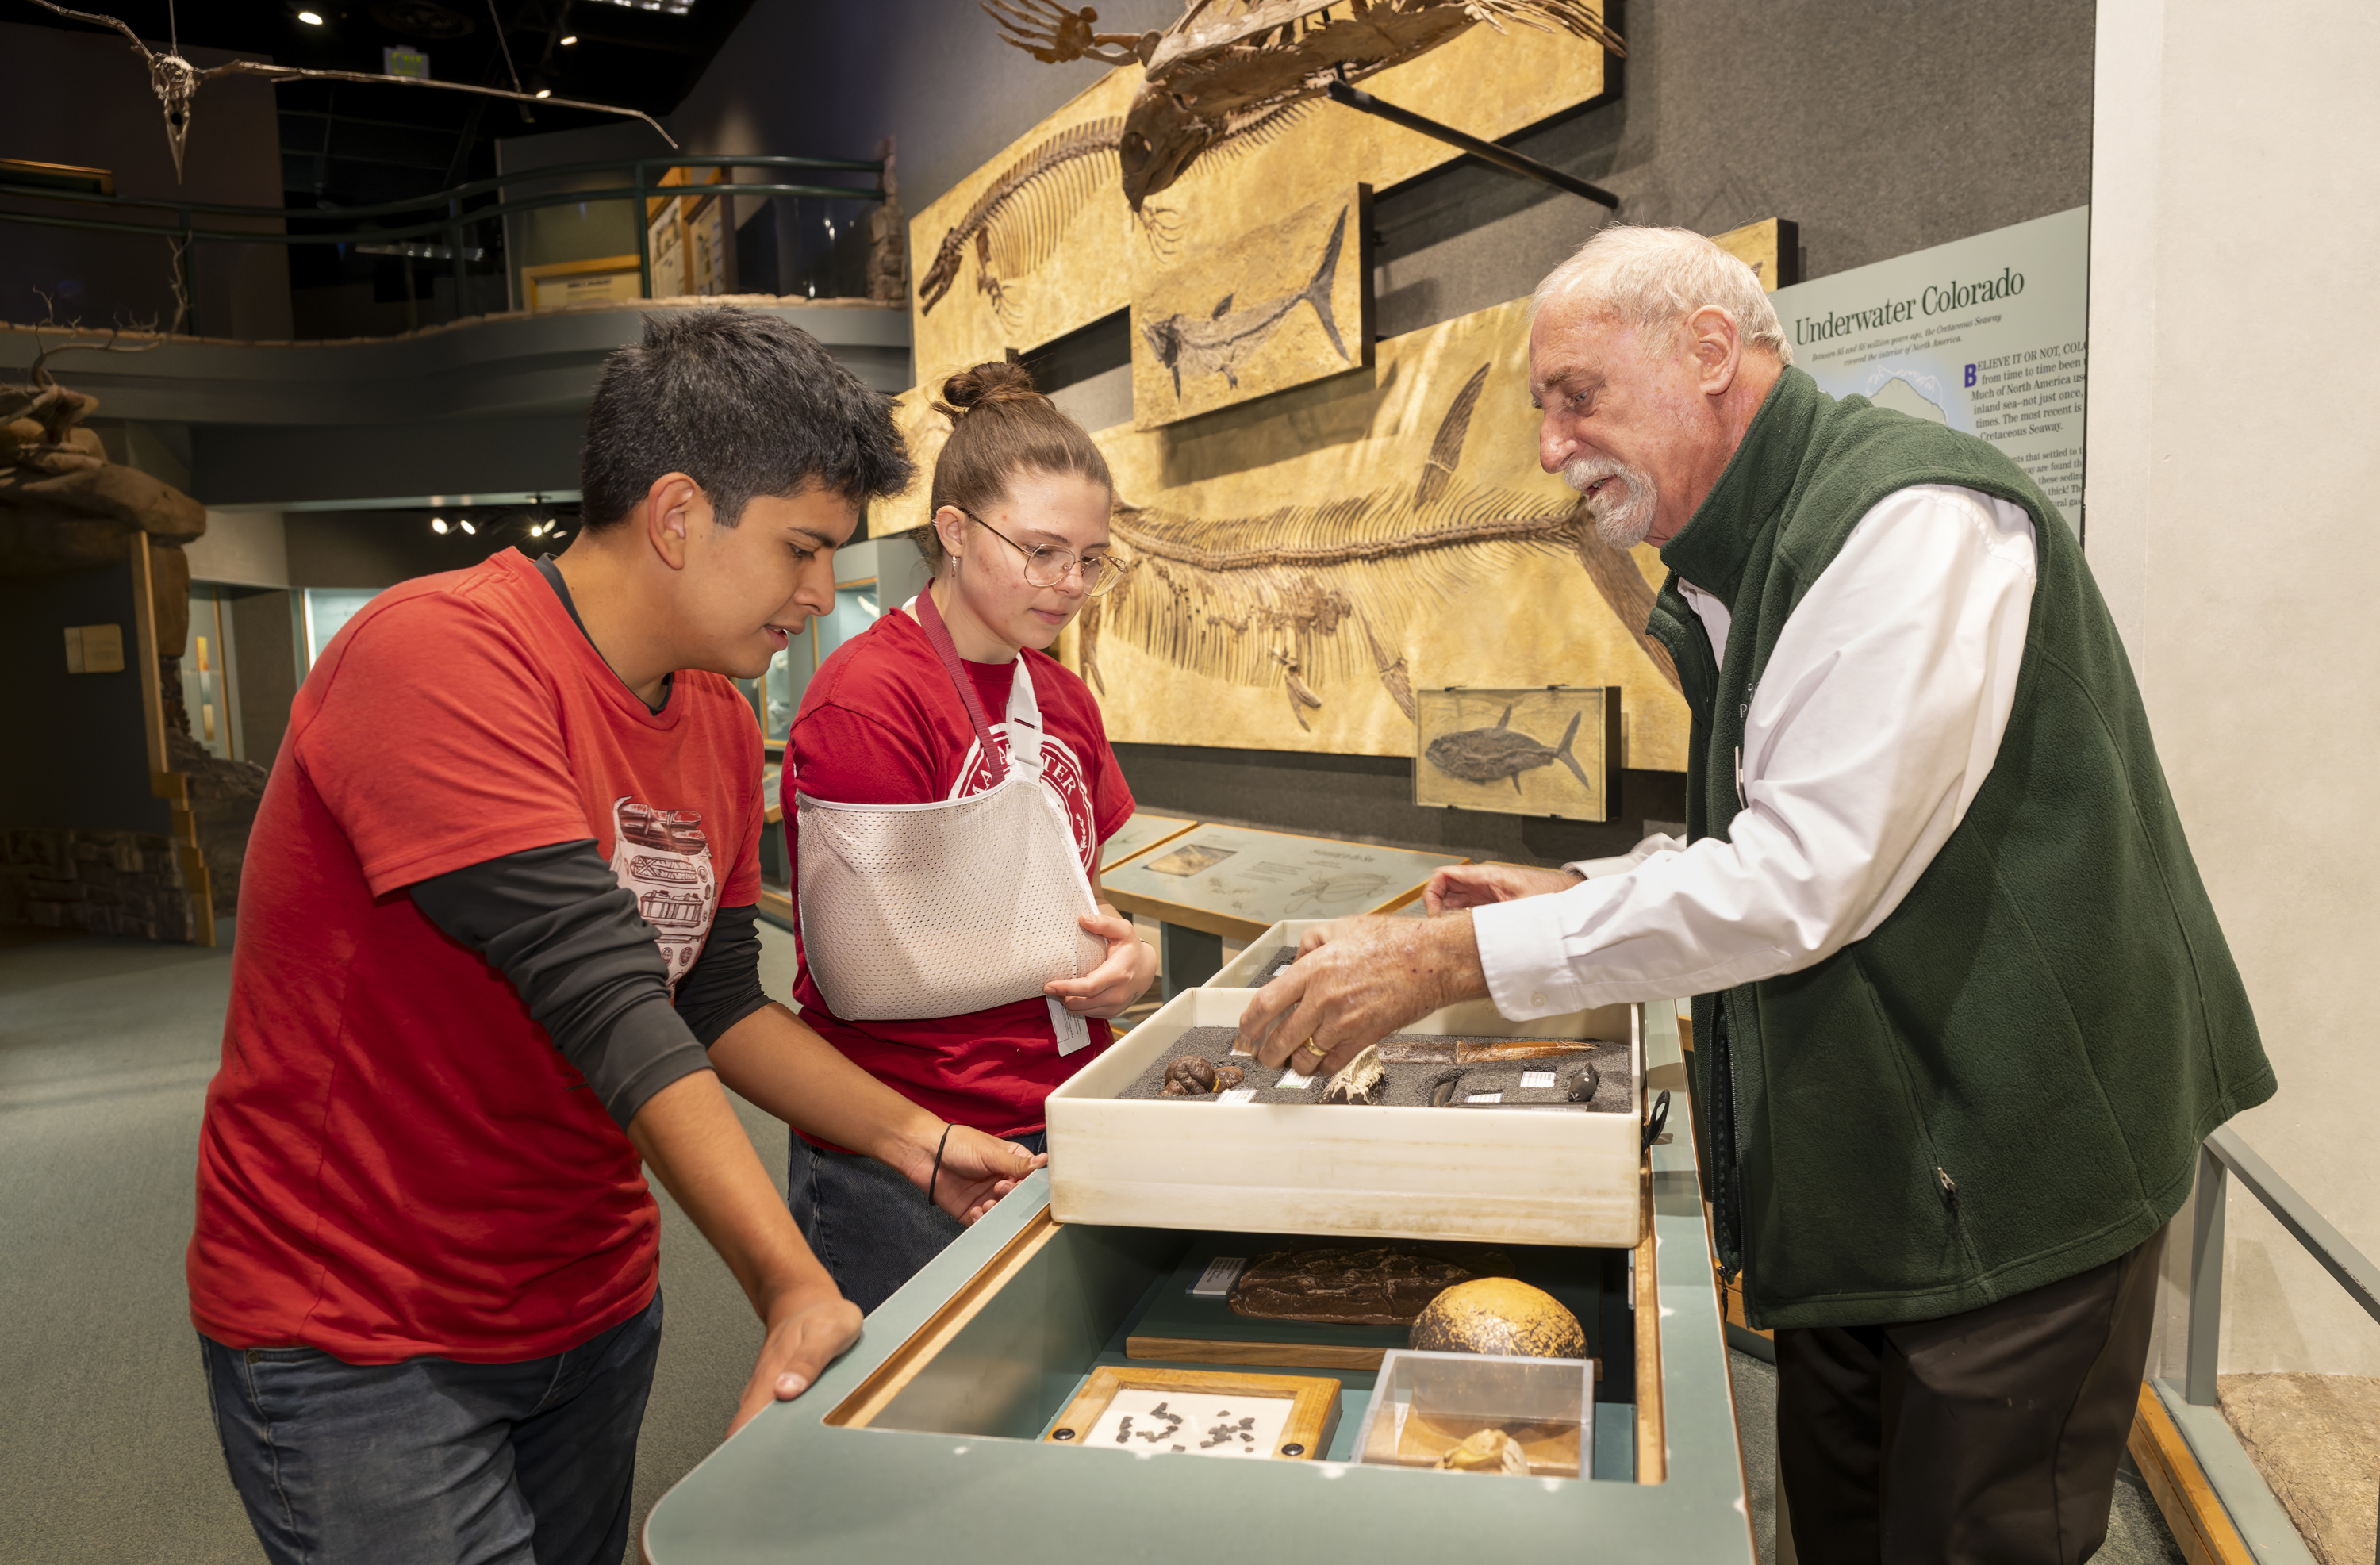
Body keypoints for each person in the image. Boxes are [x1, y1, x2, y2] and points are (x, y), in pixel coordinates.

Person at [1236, 226, 2273, 1563]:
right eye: (1543, 405)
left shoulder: (1905, 524)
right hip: (1881, 1176)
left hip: (2010, 1182)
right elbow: (1788, 833)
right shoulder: (1757, 552)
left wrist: (1457, 960)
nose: (1551, 445)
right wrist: (1574, 885)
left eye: (1577, 394)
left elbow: (1802, 883)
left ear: (1711, 352)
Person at [186, 309, 1044, 1565]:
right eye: (804, 550)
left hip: (584, 1298)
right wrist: (788, 1280)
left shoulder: (705, 710)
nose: (822, 598)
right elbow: (601, 996)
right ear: (680, 513)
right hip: (362, 1324)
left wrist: (924, 1143)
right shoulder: (436, 656)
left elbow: (712, 1002)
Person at [783, 360, 1156, 1312]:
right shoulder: (868, 702)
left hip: (1063, 1112)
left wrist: (1125, 961)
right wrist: (1057, 947)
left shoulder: (1065, 698)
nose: (1070, 583)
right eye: (1040, 550)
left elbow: (1077, 901)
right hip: (910, 1144)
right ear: (952, 531)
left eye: (1089, 557)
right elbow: (864, 970)